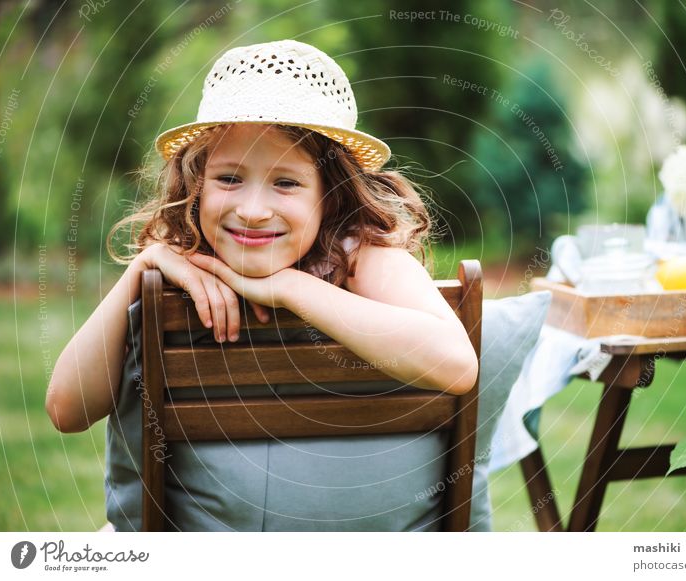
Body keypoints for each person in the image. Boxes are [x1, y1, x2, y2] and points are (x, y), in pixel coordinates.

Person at [46, 39, 478, 531]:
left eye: (286, 182)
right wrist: (142, 267)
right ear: (197, 184)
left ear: (331, 198)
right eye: (230, 178)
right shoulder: (177, 264)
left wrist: (288, 288)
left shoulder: (360, 258)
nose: (252, 209)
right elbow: (66, 407)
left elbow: (457, 365)